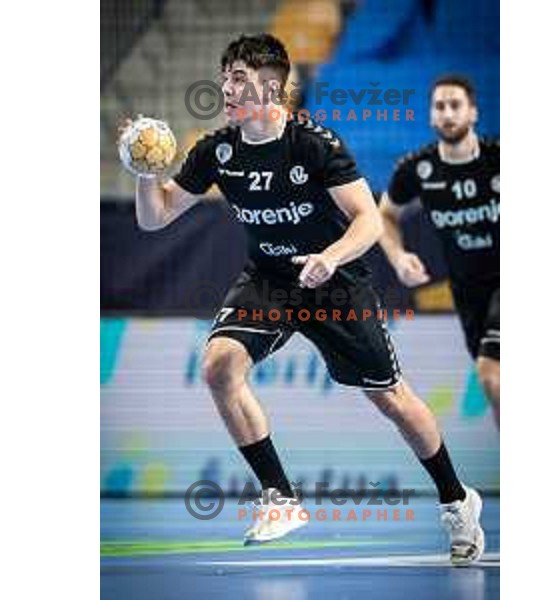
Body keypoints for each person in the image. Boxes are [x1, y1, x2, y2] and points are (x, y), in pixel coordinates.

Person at [120, 34, 484, 565]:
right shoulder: (218, 150)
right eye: (224, 75)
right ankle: (280, 497)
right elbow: (155, 218)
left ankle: (456, 500)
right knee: (219, 365)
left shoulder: (315, 144)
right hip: (269, 278)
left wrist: (331, 256)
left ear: (272, 88)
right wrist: (145, 174)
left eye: (239, 77)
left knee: (392, 399)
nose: (226, 86)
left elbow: (366, 218)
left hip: (334, 283)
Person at [379, 75, 500, 428]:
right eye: (440, 107)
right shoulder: (416, 169)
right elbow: (385, 215)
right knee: (493, 382)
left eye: (455, 105)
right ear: (431, 117)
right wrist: (398, 256)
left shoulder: (500, 158)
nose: (448, 113)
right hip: (467, 290)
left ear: (473, 112)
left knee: (491, 373)